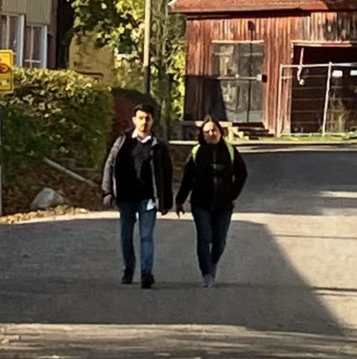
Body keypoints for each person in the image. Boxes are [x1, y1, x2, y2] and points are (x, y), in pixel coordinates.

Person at [102, 104, 173, 288]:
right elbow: (110, 165)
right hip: (125, 197)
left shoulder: (158, 146)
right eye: (140, 118)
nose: (144, 122)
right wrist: (108, 191)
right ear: (134, 120)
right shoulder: (123, 141)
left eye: (147, 118)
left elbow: (167, 174)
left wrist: (166, 201)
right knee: (126, 236)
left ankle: (146, 274)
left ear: (152, 121)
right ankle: (128, 269)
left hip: (148, 198)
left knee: (146, 237)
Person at [176, 116, 249, 286]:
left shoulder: (230, 151)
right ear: (202, 134)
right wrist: (180, 200)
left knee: (220, 240)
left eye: (214, 130)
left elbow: (242, 174)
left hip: (224, 205)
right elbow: (187, 178)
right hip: (201, 203)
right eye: (207, 131)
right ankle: (206, 273)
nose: (211, 133)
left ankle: (213, 262)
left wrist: (232, 194)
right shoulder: (197, 152)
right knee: (204, 236)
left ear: (220, 132)